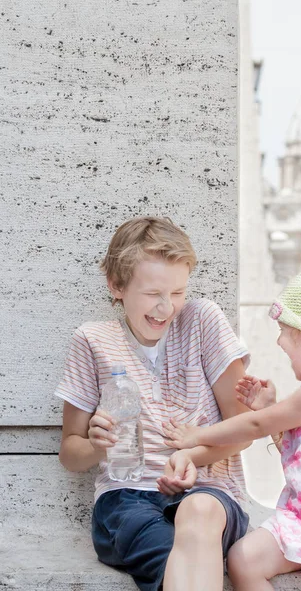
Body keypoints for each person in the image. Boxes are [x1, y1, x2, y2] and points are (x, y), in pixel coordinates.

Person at [55, 216, 272, 591]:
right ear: (116, 285)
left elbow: (244, 432)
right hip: (126, 499)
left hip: (212, 493)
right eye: (153, 294)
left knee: (199, 512)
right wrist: (95, 445)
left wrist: (192, 456)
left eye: (177, 293)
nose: (166, 308)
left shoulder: (203, 320)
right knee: (173, 552)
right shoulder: (92, 340)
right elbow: (70, 454)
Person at [164, 266, 301, 591]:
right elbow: (297, 449)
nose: (279, 340)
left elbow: (256, 425)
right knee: (243, 559)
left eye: (285, 331)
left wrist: (196, 435)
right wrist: (270, 408)